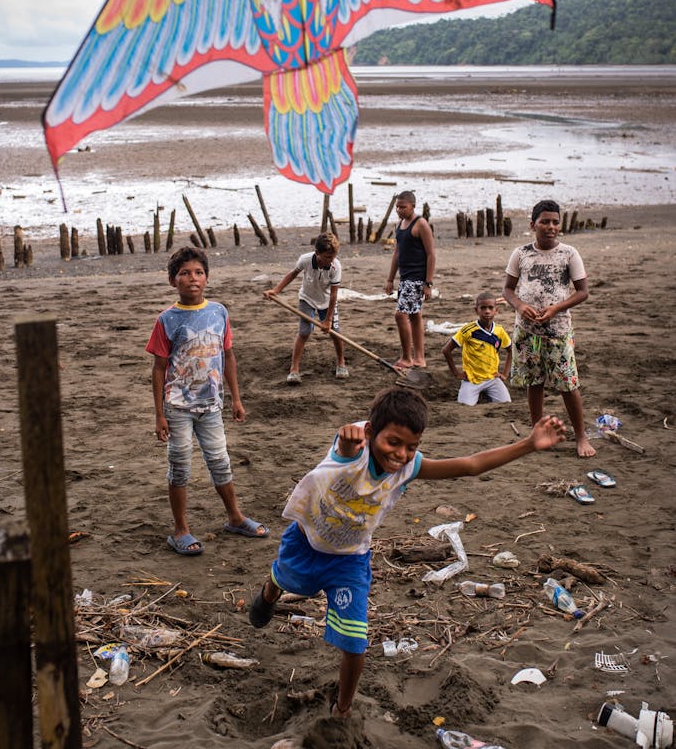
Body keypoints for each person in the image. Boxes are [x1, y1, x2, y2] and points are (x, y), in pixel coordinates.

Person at [249, 386, 565, 717]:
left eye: (411, 447)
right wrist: (346, 441)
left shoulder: (408, 466)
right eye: (393, 443)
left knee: (356, 643)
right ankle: (270, 593)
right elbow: (345, 449)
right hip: (306, 543)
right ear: (371, 433)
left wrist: (529, 444)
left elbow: (471, 465)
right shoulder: (353, 450)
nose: (400, 454)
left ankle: (341, 710)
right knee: (288, 579)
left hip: (350, 561)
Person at [146, 246, 269, 555]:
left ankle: (235, 517)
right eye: (185, 273)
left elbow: (228, 356)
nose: (193, 279)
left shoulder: (219, 312)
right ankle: (180, 530)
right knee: (180, 466)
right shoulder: (167, 320)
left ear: (207, 278)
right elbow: (159, 368)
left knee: (220, 461)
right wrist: (159, 414)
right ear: (173, 280)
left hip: (211, 406)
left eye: (199, 272)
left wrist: (236, 399)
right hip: (178, 407)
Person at [502, 199, 596, 458]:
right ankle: (537, 432)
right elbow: (508, 289)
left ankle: (581, 435)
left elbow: (583, 292)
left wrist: (556, 308)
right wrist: (520, 306)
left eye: (555, 222)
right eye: (544, 221)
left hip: (558, 331)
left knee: (568, 384)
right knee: (534, 381)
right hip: (527, 332)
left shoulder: (569, 253)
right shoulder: (521, 254)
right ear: (533, 224)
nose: (550, 226)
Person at [263, 232, 348, 385]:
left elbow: (334, 296)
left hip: (327, 301)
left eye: (333, 256)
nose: (331, 260)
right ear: (317, 253)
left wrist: (328, 320)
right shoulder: (306, 259)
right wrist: (275, 291)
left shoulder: (336, 266)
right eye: (327, 257)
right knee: (304, 332)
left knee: (335, 332)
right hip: (307, 299)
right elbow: (292, 274)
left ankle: (341, 363)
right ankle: (294, 369)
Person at [384, 191, 435, 369]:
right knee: (414, 315)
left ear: (413, 206)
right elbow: (397, 254)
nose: (399, 210)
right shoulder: (399, 225)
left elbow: (431, 255)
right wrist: (390, 279)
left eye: (403, 207)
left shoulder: (421, 224)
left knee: (400, 315)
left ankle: (407, 357)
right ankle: (419, 358)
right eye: (397, 207)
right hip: (404, 277)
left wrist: (428, 283)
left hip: (417, 278)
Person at [442, 291, 512, 405]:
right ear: (476, 310)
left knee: (507, 403)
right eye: (483, 308)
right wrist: (456, 374)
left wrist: (505, 374)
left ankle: (486, 394)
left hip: (492, 379)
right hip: (471, 380)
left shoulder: (500, 331)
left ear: (496, 310)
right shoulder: (468, 330)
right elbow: (446, 350)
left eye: (490, 308)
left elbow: (511, 350)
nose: (487, 311)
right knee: (465, 407)